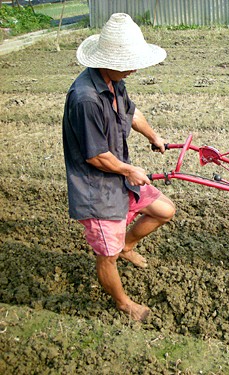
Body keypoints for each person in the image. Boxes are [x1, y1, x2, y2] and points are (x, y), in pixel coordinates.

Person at [62, 13, 175, 322]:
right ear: (107, 60)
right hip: (96, 188)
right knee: (106, 256)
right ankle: (124, 303)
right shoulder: (85, 98)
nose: (135, 68)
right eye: (128, 61)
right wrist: (129, 170)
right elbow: (96, 156)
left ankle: (127, 245)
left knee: (164, 209)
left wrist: (154, 136)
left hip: (119, 178)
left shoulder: (114, 81)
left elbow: (131, 113)